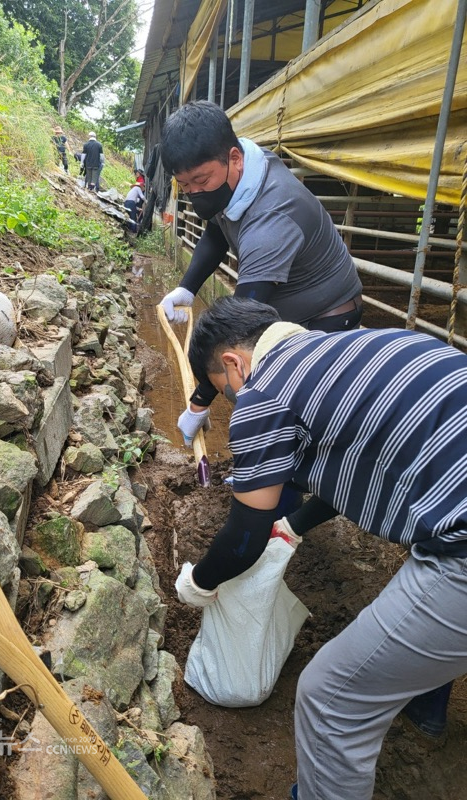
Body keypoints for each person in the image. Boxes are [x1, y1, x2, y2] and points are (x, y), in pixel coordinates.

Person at [178, 295, 467, 800]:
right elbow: (359, 463)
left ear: (232, 362)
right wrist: (293, 524)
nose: (230, 400)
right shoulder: (349, 347)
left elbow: (244, 538)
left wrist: (198, 582)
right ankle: (425, 708)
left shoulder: (263, 391)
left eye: (223, 391)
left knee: (330, 697)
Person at [158, 100, 362, 448]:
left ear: (233, 158)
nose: (194, 194)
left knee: (282, 400)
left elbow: (237, 331)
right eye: (184, 185)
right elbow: (216, 229)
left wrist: (199, 403)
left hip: (326, 317)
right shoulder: (242, 171)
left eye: (201, 181)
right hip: (283, 305)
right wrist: (188, 288)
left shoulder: (272, 221)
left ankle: (284, 483)